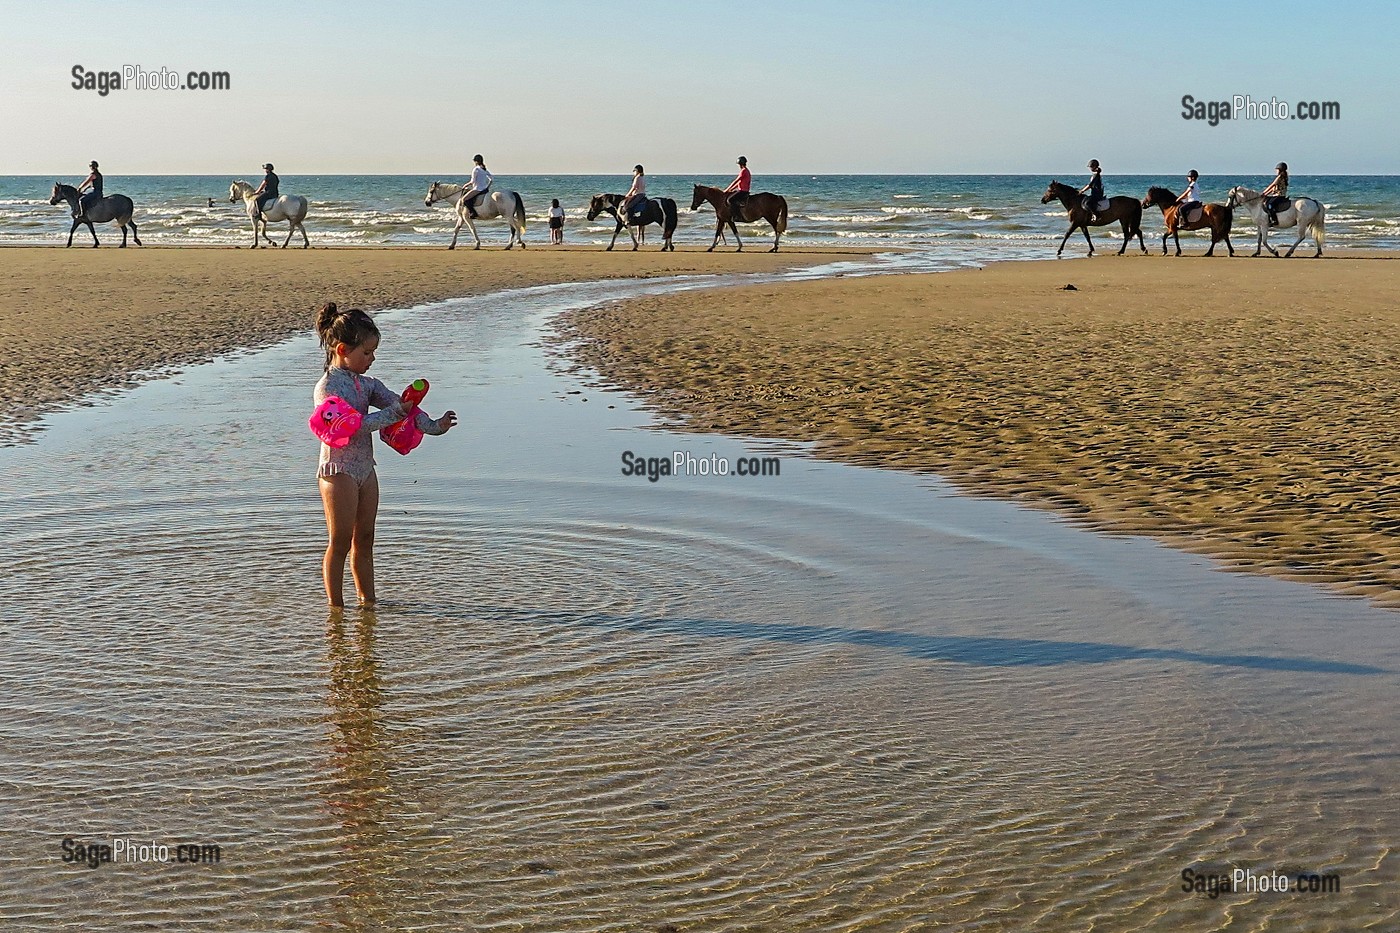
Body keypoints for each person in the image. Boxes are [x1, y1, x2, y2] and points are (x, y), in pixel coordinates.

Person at [313, 302, 457, 608]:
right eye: (366, 353)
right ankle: (335, 611)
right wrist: (392, 414)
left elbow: (402, 407)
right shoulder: (327, 389)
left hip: (366, 468)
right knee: (340, 543)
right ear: (342, 349)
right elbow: (350, 427)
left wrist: (435, 426)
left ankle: (368, 604)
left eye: (373, 352)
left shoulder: (368, 385)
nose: (372, 359)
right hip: (338, 470)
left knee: (364, 540)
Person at [462, 154, 493, 219]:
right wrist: (488, 187)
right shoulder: (484, 169)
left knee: (464, 199)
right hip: (484, 189)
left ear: (476, 161)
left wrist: (465, 185)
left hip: (477, 189)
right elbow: (491, 179)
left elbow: (472, 181)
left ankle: (473, 212)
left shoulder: (476, 169)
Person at [724, 155, 752, 221]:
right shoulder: (746, 170)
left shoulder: (743, 171)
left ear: (740, 164)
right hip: (742, 190)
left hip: (743, 191)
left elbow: (736, 180)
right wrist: (731, 189)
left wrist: (727, 189)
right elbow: (738, 183)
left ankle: (736, 216)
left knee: (730, 200)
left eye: (739, 164)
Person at [1262, 161, 1290, 227]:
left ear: (1280, 170)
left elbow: (1272, 185)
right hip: (1277, 195)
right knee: (1266, 201)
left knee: (1269, 204)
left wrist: (1264, 192)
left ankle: (1274, 220)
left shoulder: (1280, 177)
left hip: (1279, 196)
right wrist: (1266, 194)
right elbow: (1274, 188)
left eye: (1277, 170)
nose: (1276, 171)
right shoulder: (1284, 177)